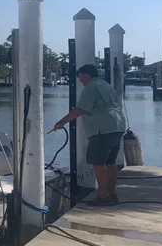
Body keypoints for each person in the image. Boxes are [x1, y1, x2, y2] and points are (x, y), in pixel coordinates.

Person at [52, 64, 126, 205]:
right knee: (111, 162)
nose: (80, 81)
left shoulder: (91, 87)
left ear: (86, 75)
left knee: (98, 163)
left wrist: (61, 122)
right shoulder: (106, 85)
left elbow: (80, 109)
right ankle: (112, 194)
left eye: (80, 77)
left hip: (102, 128)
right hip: (118, 125)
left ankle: (102, 197)